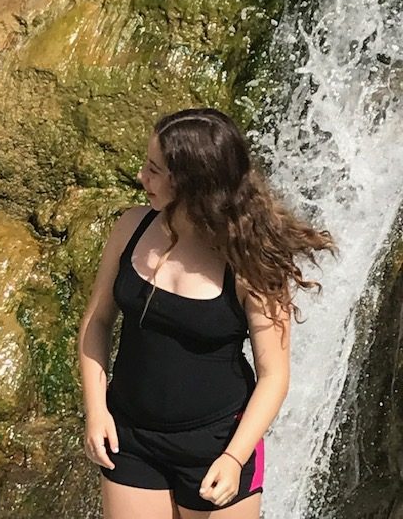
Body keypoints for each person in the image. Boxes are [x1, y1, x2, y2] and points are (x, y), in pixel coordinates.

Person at [78, 108, 337, 519]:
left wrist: (235, 458)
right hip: (130, 436)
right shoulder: (131, 228)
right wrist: (96, 410)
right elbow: (97, 321)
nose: (142, 178)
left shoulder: (249, 262)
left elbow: (274, 375)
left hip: (218, 444)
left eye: (154, 170)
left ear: (193, 182)